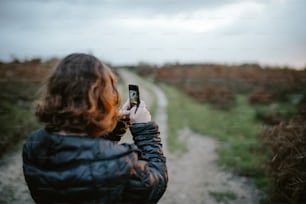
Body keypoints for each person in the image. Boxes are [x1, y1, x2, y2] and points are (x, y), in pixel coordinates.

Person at [22, 53, 168, 204]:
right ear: (102, 99)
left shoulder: (34, 144)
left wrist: (119, 124)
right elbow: (156, 183)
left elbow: (84, 150)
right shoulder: (121, 163)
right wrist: (145, 129)